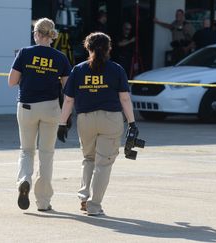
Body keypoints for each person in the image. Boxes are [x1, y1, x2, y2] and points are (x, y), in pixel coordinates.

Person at [57, 32, 137, 216]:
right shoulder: (116, 69)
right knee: (104, 164)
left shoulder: (78, 69)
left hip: (86, 120)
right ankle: (94, 206)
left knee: (88, 159)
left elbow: (68, 100)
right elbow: (124, 98)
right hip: (111, 119)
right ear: (109, 48)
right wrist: (132, 122)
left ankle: (84, 197)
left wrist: (62, 123)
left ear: (87, 48)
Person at [8, 18, 72, 211]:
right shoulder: (60, 57)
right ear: (51, 36)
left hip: (27, 106)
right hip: (51, 107)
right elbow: (67, 89)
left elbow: (11, 81)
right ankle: (43, 202)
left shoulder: (25, 53)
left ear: (36, 34)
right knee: (46, 153)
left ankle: (24, 180)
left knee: (26, 150)